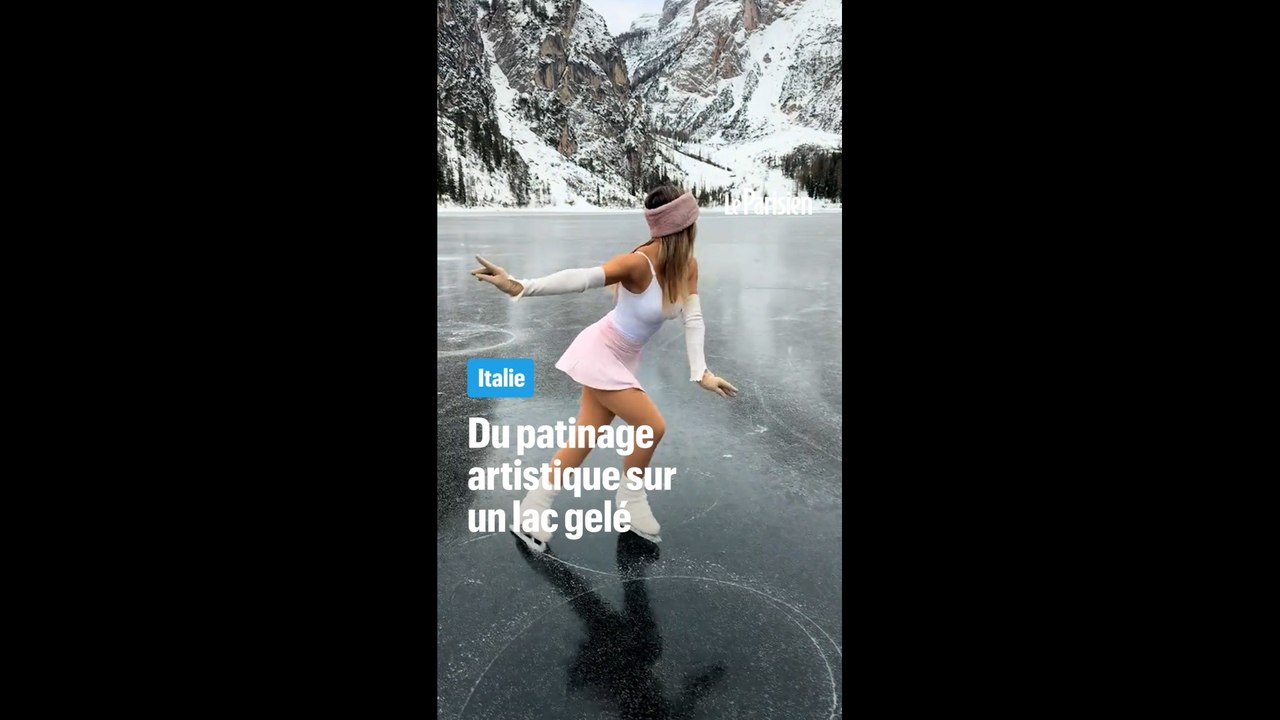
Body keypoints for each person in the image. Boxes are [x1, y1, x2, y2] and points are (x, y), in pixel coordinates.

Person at [471, 185, 739, 552]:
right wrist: (519, 286)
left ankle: (532, 508)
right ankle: (630, 503)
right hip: (600, 351)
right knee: (651, 426)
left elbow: (693, 319)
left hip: (624, 357)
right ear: (683, 225)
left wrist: (701, 373)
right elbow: (581, 278)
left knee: (584, 438)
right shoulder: (638, 263)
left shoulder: (687, 266)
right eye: (693, 221)